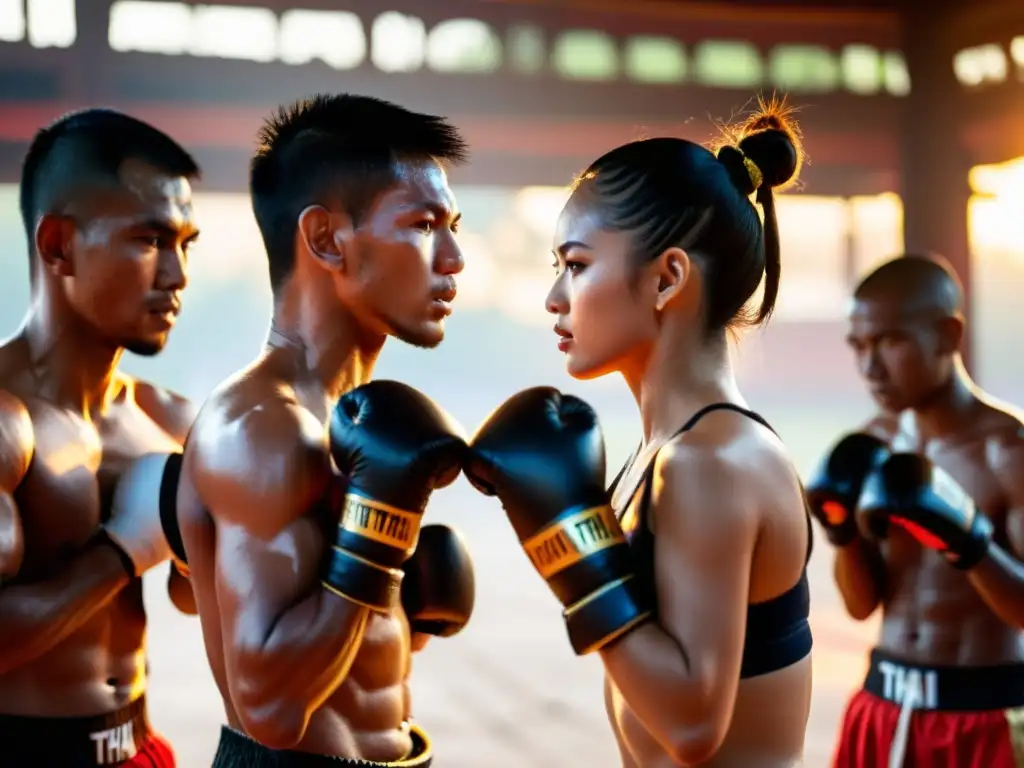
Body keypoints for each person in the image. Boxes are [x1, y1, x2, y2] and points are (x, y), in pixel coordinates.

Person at [466, 101, 812, 766]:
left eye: (576, 264)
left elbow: (689, 725)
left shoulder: (710, 463)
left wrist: (566, 539)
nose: (554, 298)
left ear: (667, 278)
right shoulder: (664, 455)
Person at [174, 93, 476, 767]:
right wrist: (381, 533)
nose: (454, 257)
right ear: (325, 240)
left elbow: (345, 662)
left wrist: (407, 611)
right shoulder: (260, 427)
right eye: (425, 224)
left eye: (453, 223)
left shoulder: (353, 417)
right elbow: (271, 708)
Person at [0, 108, 202, 766]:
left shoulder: (163, 417)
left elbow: (192, 597)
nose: (176, 276)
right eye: (149, 241)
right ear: (59, 244)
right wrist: (124, 550)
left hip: (140, 745)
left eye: (185, 244)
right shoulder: (7, 421)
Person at [807, 253, 1024, 768]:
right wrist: (843, 534)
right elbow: (862, 606)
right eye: (859, 345)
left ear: (948, 336)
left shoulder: (1008, 452)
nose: (870, 366)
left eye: (890, 341)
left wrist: (968, 541)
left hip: (987, 715)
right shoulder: (871, 443)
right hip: (884, 702)